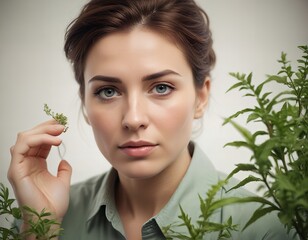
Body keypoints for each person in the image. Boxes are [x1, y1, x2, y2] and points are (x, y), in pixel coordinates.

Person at [8, 0, 295, 239]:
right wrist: (39, 227)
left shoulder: (263, 228)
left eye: (161, 88)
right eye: (108, 91)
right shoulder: (45, 216)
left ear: (201, 97)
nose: (133, 118)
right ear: (85, 102)